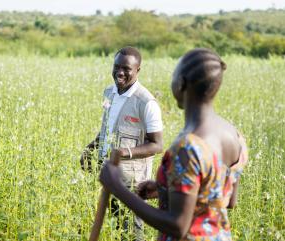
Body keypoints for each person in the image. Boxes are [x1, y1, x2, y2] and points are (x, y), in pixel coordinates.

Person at [99, 48, 248, 240]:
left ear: (181, 83)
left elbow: (177, 226)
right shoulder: (235, 135)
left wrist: (117, 187)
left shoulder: (187, 148)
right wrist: (164, 189)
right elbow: (227, 200)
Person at [81, 46, 163, 240]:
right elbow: (107, 129)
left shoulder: (146, 103)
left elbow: (157, 145)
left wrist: (122, 152)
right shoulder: (109, 92)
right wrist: (90, 149)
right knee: (114, 228)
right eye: (117, 67)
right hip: (108, 174)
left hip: (131, 181)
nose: (120, 72)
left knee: (131, 231)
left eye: (126, 69)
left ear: (137, 70)